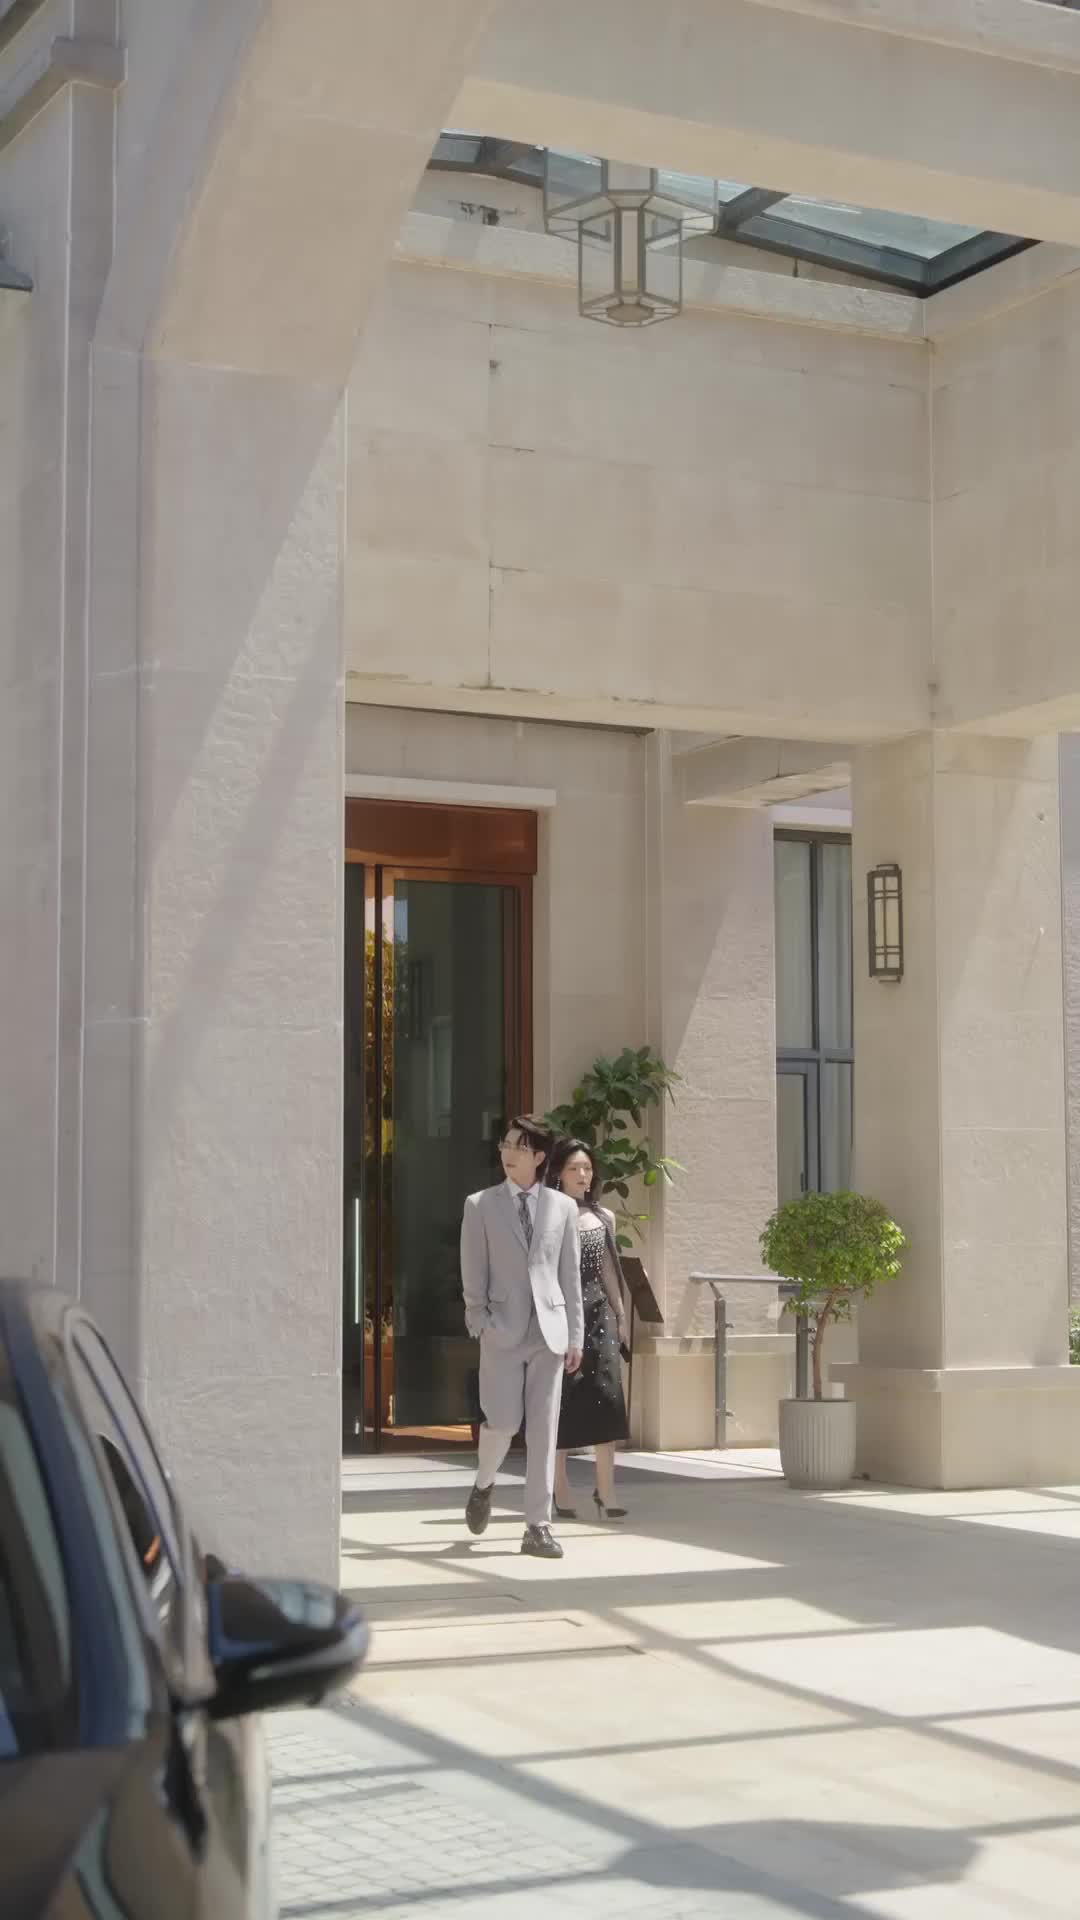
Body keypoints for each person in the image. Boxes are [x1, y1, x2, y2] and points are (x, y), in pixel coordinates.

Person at [460, 1117, 584, 1559]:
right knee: (504, 1422)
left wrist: (575, 1335)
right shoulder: (480, 1205)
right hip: (502, 1330)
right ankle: (484, 1483)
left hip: (549, 1333)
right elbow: (472, 1271)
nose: (508, 1153)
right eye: (506, 1144)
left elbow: (569, 1275)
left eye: (519, 1146)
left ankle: (538, 1526)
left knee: (543, 1430)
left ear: (539, 1157)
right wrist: (480, 1321)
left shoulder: (562, 1207)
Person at [547, 1138, 631, 1521]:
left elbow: (609, 1270)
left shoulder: (604, 1216)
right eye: (574, 1168)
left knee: (607, 1399)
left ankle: (606, 1490)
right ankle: (560, 1487)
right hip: (561, 1317)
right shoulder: (548, 1215)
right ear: (559, 1173)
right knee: (561, 1403)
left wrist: (621, 1316)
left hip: (599, 1316)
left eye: (587, 1168)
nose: (582, 1175)